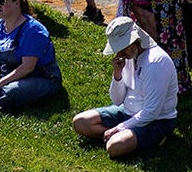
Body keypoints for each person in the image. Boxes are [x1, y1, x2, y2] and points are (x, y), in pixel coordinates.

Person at [72, 16, 178, 158]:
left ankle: (146, 138)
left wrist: (120, 128)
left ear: (136, 40)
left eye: (123, 47)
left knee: (115, 148)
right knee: (80, 122)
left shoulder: (156, 63)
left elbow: (152, 111)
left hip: (156, 121)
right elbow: (117, 100)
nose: (120, 54)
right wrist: (117, 74)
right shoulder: (128, 57)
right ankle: (121, 137)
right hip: (127, 111)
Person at [0, 0, 62, 112]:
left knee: (10, 91)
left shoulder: (33, 30)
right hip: (8, 73)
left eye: (2, 2)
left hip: (41, 76)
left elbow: (27, 67)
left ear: (17, 3)